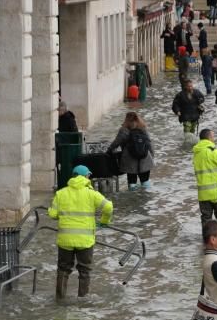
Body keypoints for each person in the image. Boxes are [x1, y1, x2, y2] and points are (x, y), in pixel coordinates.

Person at [48, 164, 114, 300]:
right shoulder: (91, 194)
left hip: (65, 239)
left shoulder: (61, 193)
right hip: (85, 240)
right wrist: (104, 222)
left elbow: (53, 214)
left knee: (63, 269)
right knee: (84, 271)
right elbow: (108, 207)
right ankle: (82, 300)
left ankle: (60, 299)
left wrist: (54, 212)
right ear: (86, 177)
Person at [107, 112, 154, 190]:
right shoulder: (143, 128)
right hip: (145, 158)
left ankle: (133, 199)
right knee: (145, 181)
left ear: (126, 119)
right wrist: (152, 155)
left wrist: (109, 150)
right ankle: (147, 199)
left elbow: (116, 143)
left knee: (132, 182)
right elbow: (149, 143)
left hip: (130, 160)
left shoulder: (124, 130)